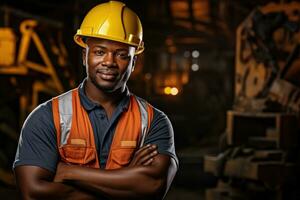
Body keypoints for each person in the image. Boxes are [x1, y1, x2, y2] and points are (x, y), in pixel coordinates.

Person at [13, 1, 178, 199]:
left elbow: (153, 187)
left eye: (122, 55)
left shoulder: (153, 121)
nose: (109, 62)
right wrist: (126, 181)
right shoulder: (48, 116)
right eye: (100, 52)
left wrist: (69, 172)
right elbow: (33, 193)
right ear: (85, 56)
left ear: (134, 62)